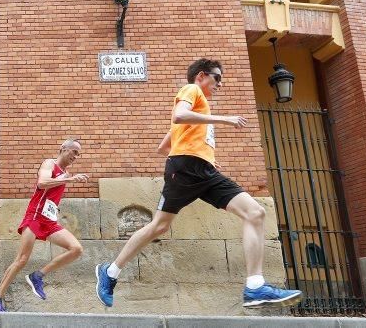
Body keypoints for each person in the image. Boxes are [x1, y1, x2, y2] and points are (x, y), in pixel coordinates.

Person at [95, 58, 303, 308]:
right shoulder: (191, 90)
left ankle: (255, 287)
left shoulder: (200, 111)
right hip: (186, 169)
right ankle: (110, 272)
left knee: (255, 213)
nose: (220, 85)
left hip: (199, 169)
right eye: (217, 78)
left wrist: (202, 156)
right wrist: (223, 120)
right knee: (160, 225)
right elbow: (179, 114)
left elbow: (164, 147)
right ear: (201, 76)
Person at [0, 139, 89, 312]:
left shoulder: (65, 172)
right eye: (74, 152)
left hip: (49, 221)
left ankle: (37, 276)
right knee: (21, 260)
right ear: (63, 148)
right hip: (35, 216)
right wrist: (68, 180)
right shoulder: (50, 163)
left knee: (76, 249)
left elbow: (52, 194)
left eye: (79, 154)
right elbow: (42, 183)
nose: (76, 157)